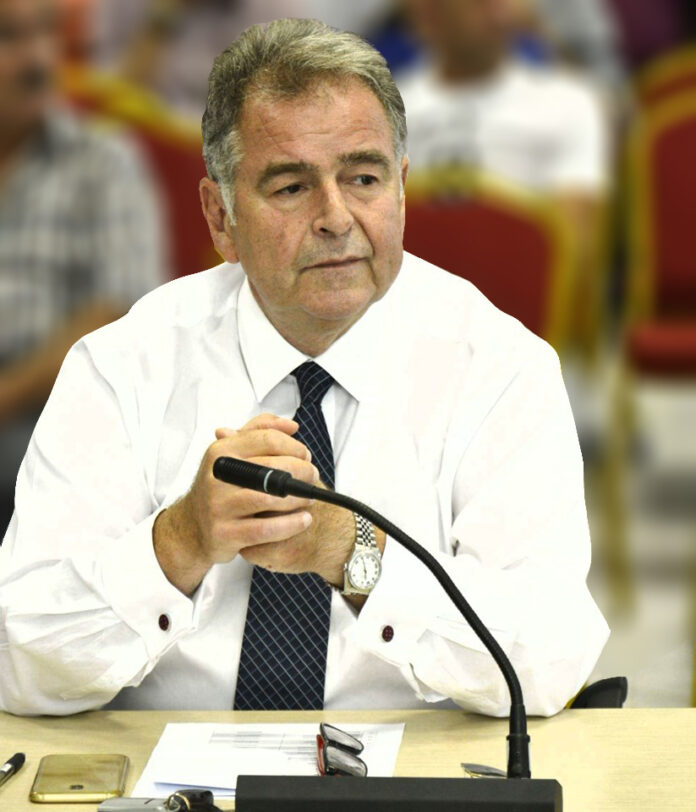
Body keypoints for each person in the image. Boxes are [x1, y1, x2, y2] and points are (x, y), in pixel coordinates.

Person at [0, 18, 608, 717]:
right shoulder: (122, 365)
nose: (336, 217)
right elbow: (17, 660)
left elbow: (545, 659)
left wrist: (352, 553)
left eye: (364, 178)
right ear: (220, 218)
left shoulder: (500, 367)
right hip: (163, 765)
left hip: (416, 767)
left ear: (402, 191)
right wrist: (179, 542)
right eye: (291, 187)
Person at [0, 0, 164, 534]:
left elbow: (118, 316)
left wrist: (5, 395)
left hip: (49, 415)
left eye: (46, 33)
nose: (37, 59)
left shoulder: (103, 162)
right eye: (10, 37)